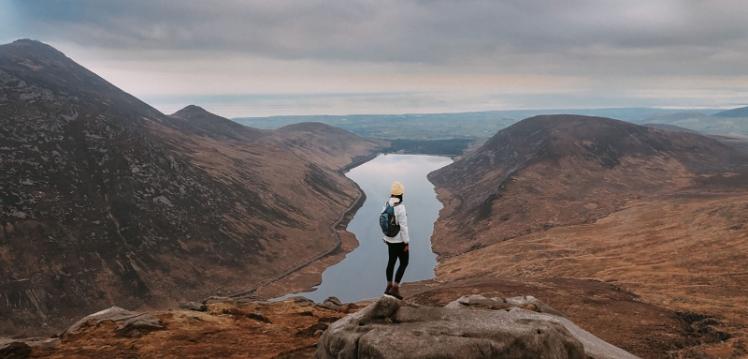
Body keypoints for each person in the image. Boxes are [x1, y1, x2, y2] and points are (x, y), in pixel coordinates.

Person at [383, 180, 409, 299]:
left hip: (389, 239)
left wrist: (385, 237)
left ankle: (388, 286)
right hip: (399, 241)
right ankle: (395, 288)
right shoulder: (401, 208)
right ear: (401, 194)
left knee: (391, 262)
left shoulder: (386, 204)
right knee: (404, 263)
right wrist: (406, 242)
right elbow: (403, 227)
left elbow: (384, 222)